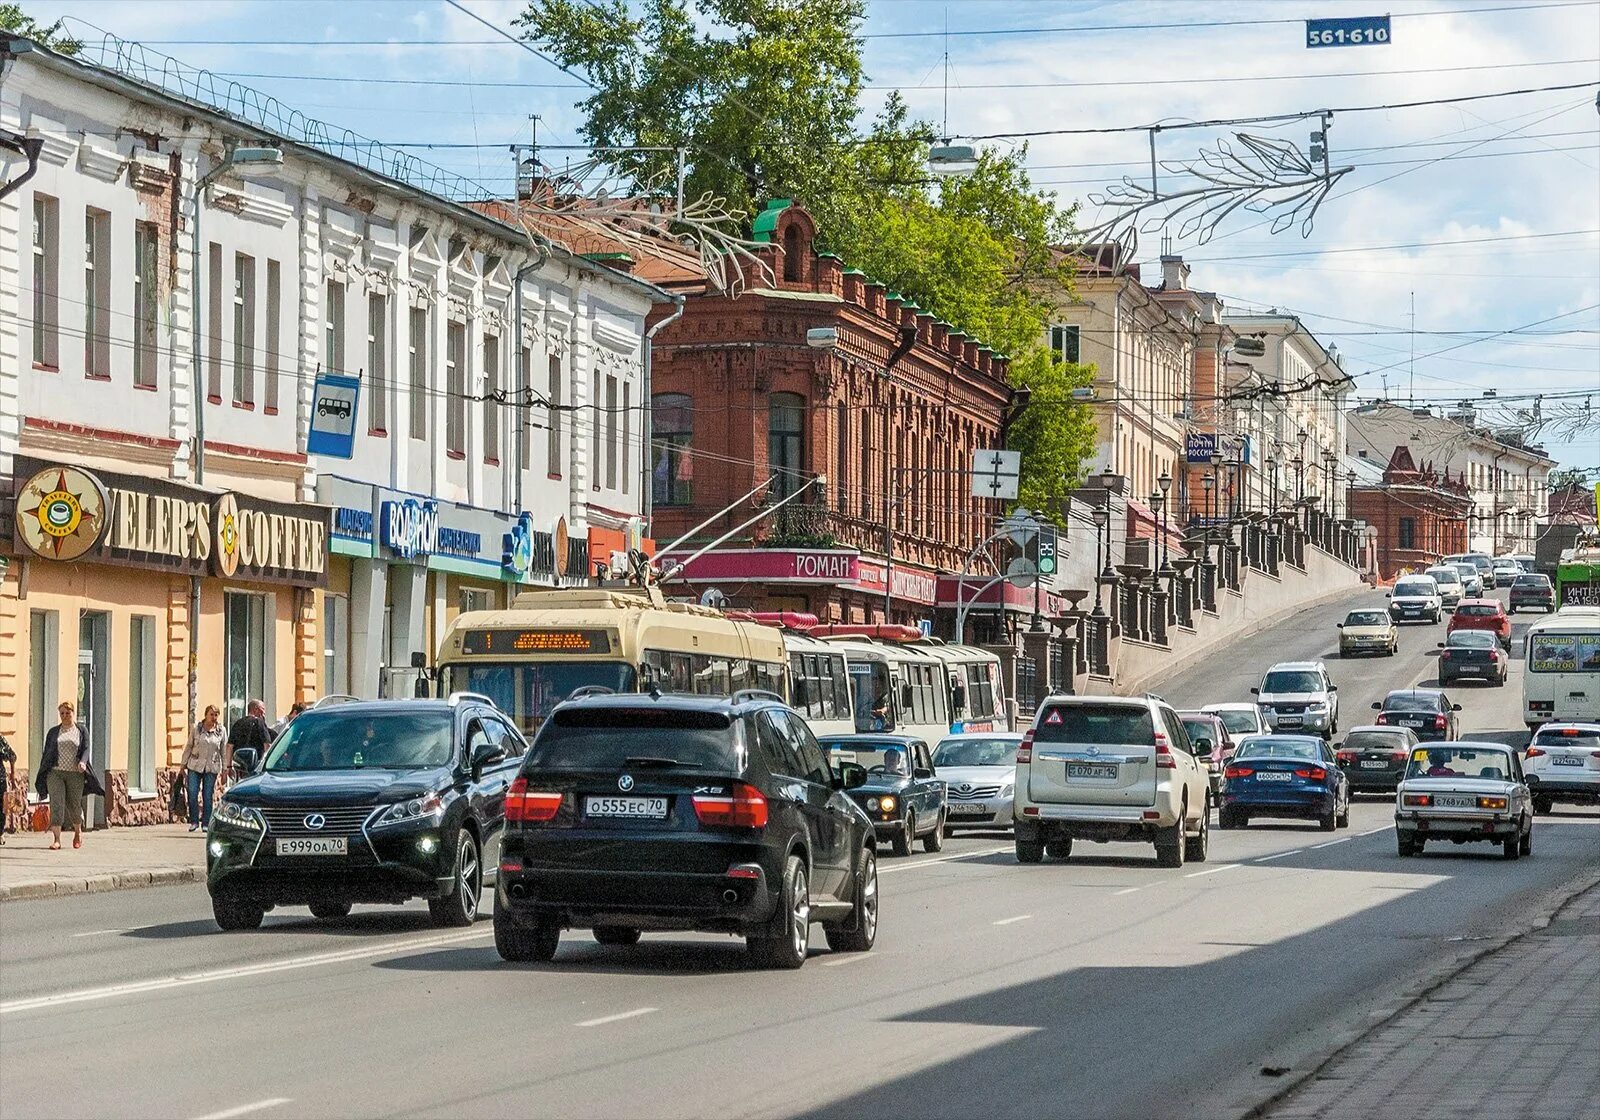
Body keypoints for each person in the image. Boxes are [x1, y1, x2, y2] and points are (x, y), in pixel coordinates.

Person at [34, 701, 105, 851]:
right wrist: (43, 771)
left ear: (73, 713)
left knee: (74, 805)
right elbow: (47, 753)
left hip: (75, 774)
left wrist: (83, 763)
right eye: (62, 713)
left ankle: (78, 832)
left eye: (68, 713)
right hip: (55, 773)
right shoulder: (53, 732)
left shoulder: (81, 730)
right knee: (56, 803)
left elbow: (86, 749)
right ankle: (57, 839)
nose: (65, 716)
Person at [181, 705, 226, 832]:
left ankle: (205, 823)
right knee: (192, 792)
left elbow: (223, 751)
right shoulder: (197, 729)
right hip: (195, 765)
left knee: (207, 795)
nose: (214, 717)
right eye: (211, 714)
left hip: (211, 767)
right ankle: (194, 821)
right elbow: (189, 747)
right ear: (206, 715)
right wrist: (182, 765)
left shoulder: (221, 730)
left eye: (216, 715)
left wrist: (225, 770)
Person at [225, 699, 273, 776]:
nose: (264, 713)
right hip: (257, 767)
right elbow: (267, 745)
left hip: (240, 767)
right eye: (263, 709)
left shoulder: (237, 724)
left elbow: (229, 746)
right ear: (256, 709)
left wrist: (229, 767)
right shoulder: (260, 723)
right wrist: (269, 764)